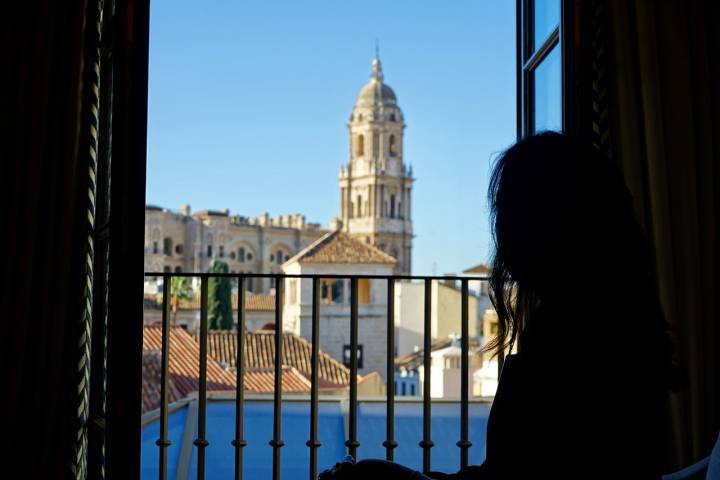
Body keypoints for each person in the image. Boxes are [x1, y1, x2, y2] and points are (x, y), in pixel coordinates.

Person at [319, 132, 683, 479]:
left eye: (507, 209)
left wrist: (382, 475)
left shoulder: (569, 333)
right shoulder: (611, 320)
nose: (500, 228)